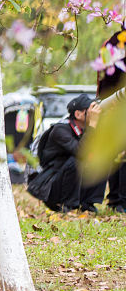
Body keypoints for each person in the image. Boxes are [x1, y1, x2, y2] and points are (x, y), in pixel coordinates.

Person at [27, 94, 104, 212]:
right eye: (91, 110)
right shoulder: (60, 130)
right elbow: (81, 152)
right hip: (50, 184)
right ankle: (68, 205)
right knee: (78, 160)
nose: (95, 113)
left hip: (67, 178)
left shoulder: (87, 130)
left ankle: (87, 203)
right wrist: (93, 125)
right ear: (78, 114)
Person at [96, 28, 126, 213]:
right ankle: (117, 200)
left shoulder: (112, 41)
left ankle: (118, 199)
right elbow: (106, 75)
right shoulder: (114, 43)